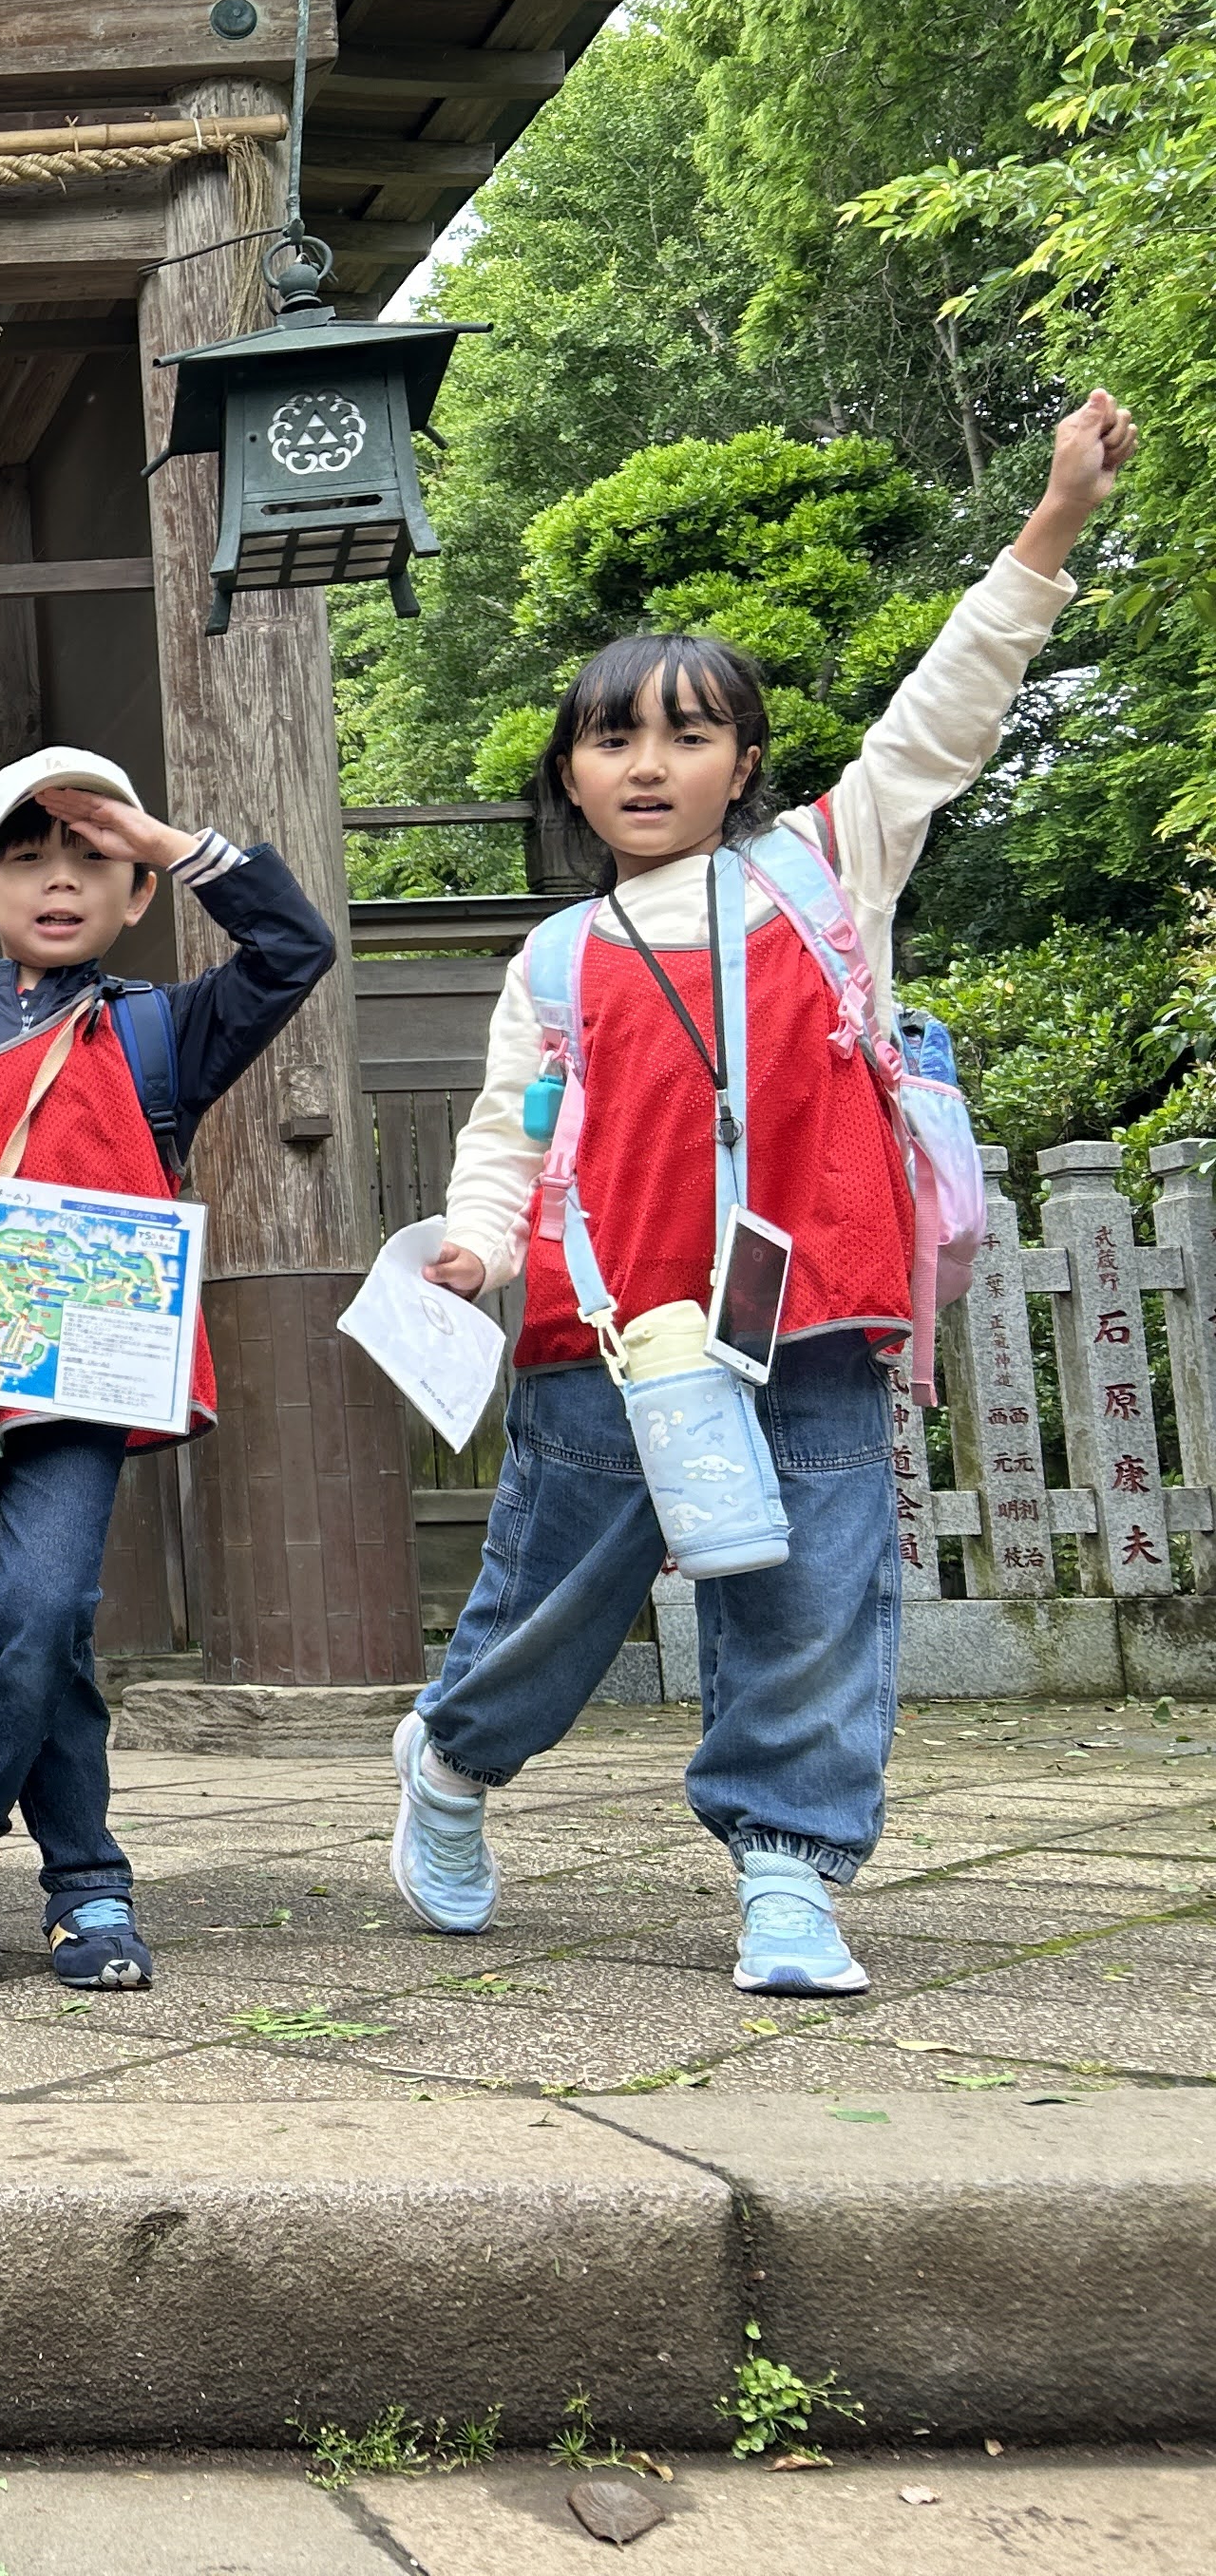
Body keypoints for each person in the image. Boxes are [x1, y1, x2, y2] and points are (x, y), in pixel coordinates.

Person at [395, 390, 1138, 1996]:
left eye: (686, 730)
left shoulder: (827, 866)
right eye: (613, 735)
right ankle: (450, 1762)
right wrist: (469, 1243)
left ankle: (788, 1872)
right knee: (554, 1596)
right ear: (570, 775)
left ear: (743, 760)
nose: (648, 760)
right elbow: (508, 1128)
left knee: (809, 1585)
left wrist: (1053, 521)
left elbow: (946, 708)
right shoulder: (555, 956)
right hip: (610, 1323)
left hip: (814, 1307)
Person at [0, 758, 331, 1993]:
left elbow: (294, 953)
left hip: (86, 1371)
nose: (61, 879)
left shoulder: (162, 1029)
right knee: (36, 1633)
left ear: (135, 891)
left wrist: (170, 836)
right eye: (31, 858)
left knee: (39, 1614)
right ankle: (88, 1883)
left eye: (92, 858)